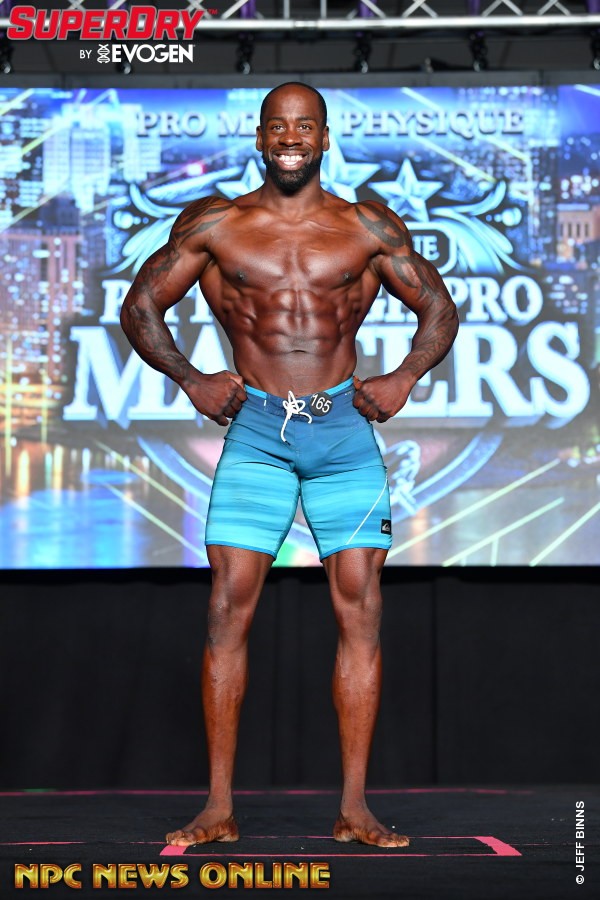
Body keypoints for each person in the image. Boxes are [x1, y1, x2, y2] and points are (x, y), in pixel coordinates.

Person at [120, 82, 458, 849]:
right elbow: (141, 305)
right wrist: (189, 378)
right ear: (261, 136)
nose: (291, 137)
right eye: (279, 126)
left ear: (325, 137)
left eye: (305, 126)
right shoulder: (216, 223)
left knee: (360, 611)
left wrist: (405, 375)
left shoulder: (367, 225)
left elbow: (438, 308)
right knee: (226, 608)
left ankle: (354, 810)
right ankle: (217, 808)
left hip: (343, 436)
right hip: (257, 434)